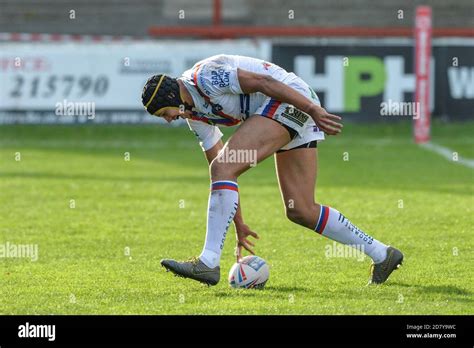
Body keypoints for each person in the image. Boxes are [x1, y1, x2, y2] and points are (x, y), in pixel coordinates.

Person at [141, 54, 403, 286]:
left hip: (289, 99)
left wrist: (312, 109)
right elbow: (221, 169)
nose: (168, 119)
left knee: (224, 167)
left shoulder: (205, 77)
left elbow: (264, 84)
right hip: (284, 109)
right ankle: (383, 255)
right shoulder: (193, 115)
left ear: (172, 96)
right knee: (300, 210)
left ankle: (208, 263)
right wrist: (238, 222)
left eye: (165, 112)